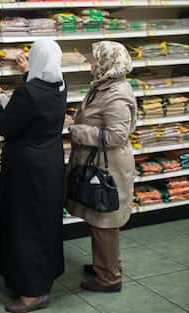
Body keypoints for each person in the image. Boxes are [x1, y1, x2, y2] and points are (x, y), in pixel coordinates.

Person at [0, 38, 66, 313]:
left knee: (24, 225)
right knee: (43, 222)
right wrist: (26, 72)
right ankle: (39, 279)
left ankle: (33, 293)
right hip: (50, 163)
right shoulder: (59, 85)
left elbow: (5, 126)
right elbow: (37, 101)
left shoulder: (28, 94)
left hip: (26, 169)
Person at [66, 41, 137, 292]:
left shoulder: (117, 94)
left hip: (110, 168)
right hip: (99, 163)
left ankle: (109, 278)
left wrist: (78, 131)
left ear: (108, 62)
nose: (92, 63)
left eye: (95, 59)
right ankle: (105, 265)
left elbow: (117, 136)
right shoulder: (104, 85)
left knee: (104, 223)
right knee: (99, 219)